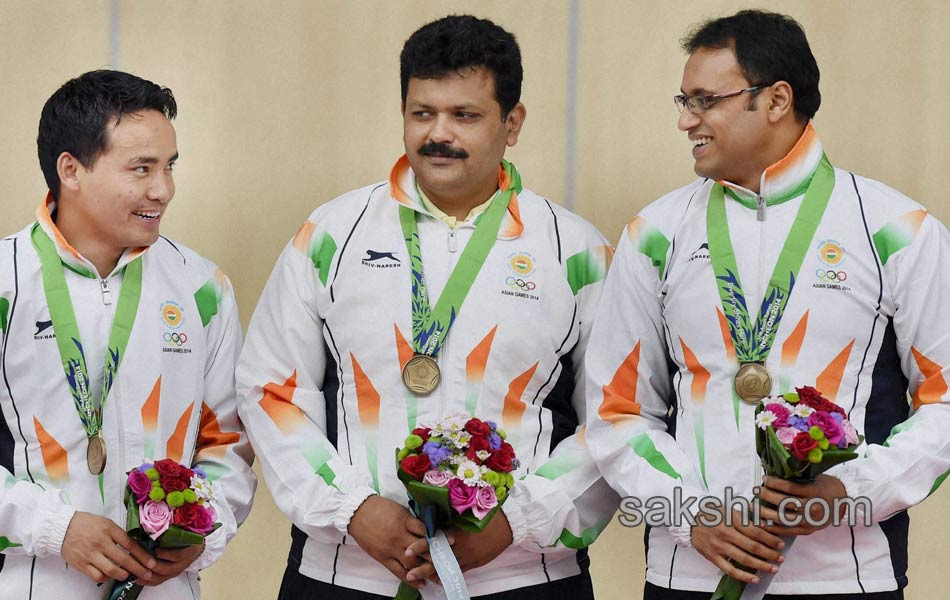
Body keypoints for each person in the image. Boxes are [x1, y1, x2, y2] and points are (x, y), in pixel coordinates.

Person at [237, 14, 617, 599]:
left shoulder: (577, 251)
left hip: (522, 576)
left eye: (464, 115)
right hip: (346, 573)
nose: (439, 133)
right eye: (422, 113)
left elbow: (616, 415)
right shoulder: (332, 234)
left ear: (512, 122)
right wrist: (352, 508)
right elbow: (271, 390)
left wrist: (517, 522)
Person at [586, 9, 949, 600]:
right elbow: (615, 409)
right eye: (684, 100)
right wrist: (690, 512)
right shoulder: (655, 233)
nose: (685, 119)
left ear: (777, 99)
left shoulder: (898, 229)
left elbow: (944, 403)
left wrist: (849, 492)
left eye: (705, 100)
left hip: (845, 576)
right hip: (687, 572)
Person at [0, 70, 256, 597]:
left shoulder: (201, 287)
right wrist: (54, 527)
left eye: (169, 166)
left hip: (165, 587)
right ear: (71, 170)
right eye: (141, 168)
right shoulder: (6, 281)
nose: (163, 190)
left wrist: (202, 530)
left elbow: (229, 442)